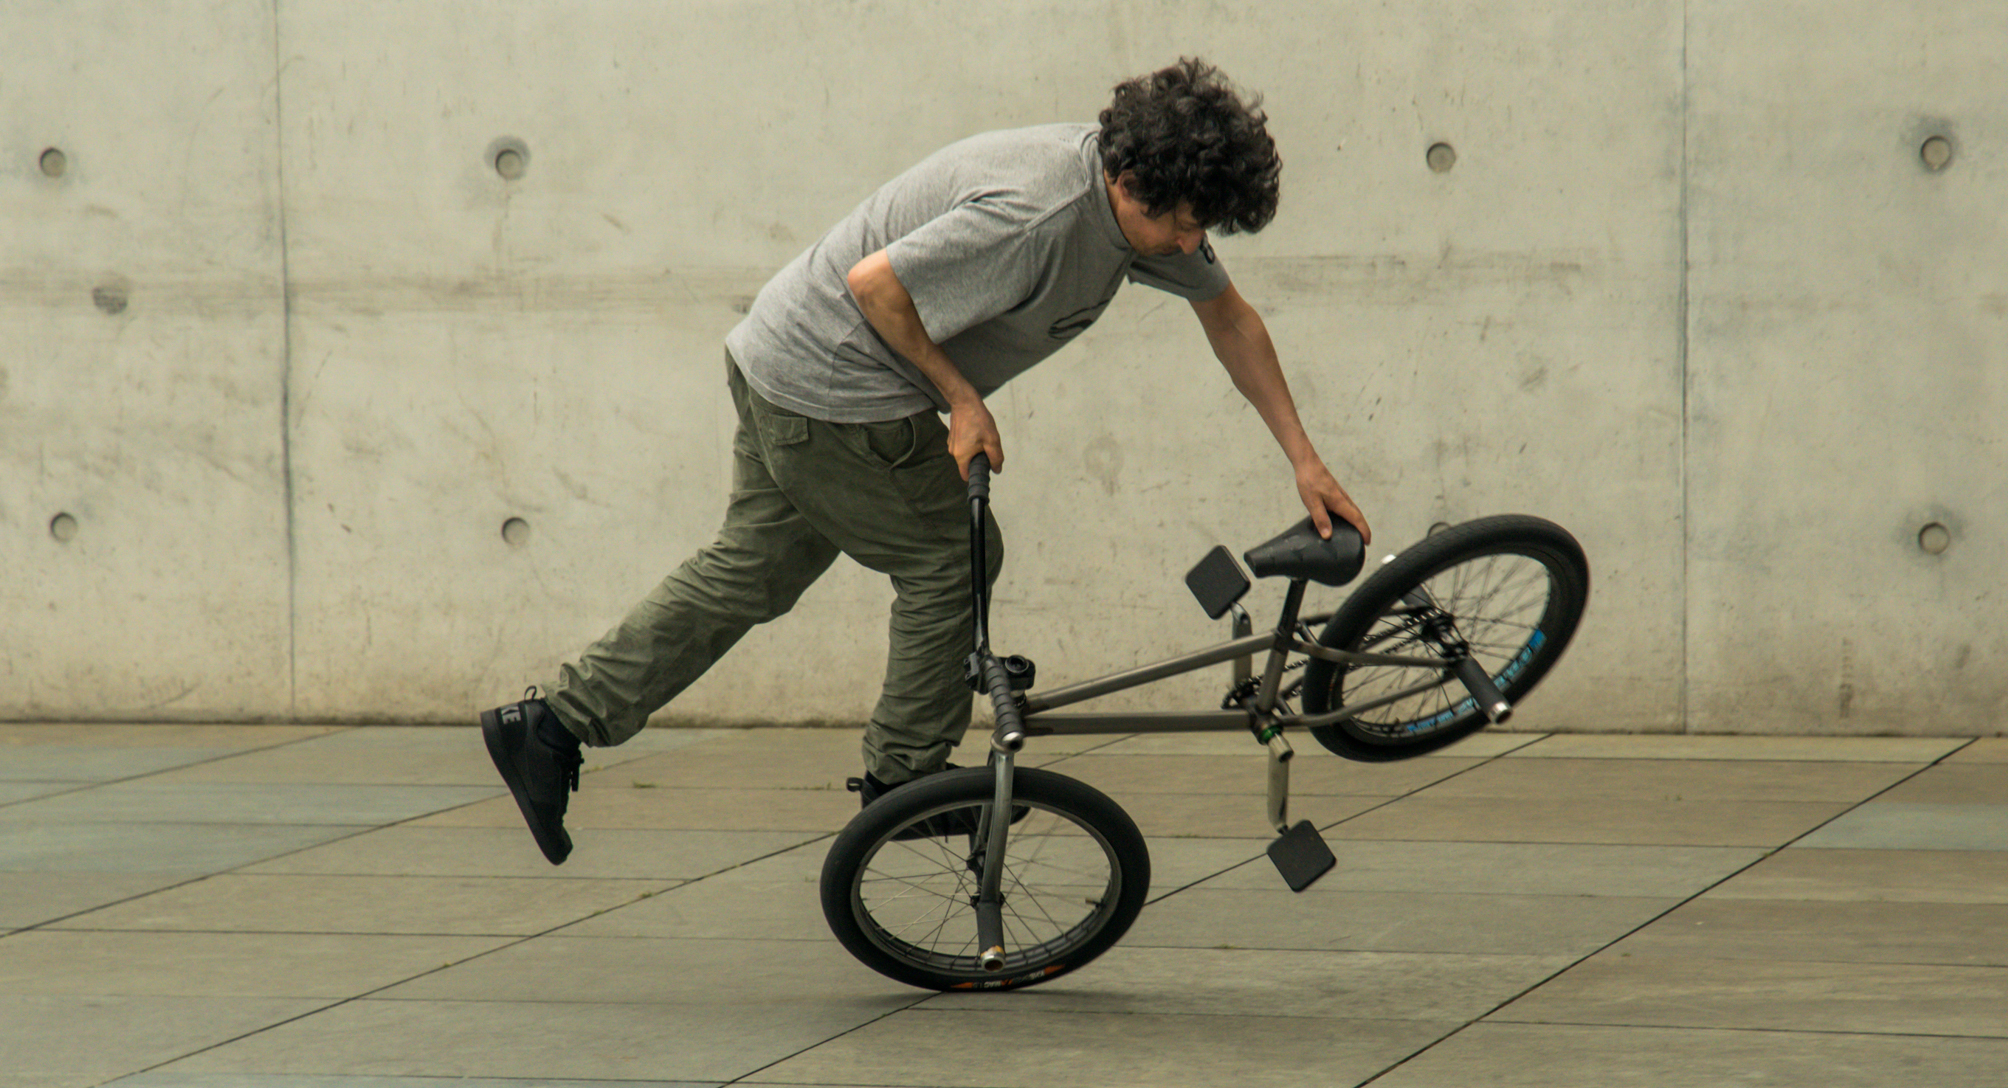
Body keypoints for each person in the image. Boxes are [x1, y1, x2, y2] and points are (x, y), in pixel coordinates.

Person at [481, 57, 1368, 864]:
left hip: (780, 359)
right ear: (1131, 181)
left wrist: (1305, 460)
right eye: (1178, 222)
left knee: (752, 570)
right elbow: (876, 286)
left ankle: (552, 725)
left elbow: (1230, 318)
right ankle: (902, 780)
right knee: (951, 556)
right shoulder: (1041, 216)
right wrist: (962, 397)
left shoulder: (1138, 201)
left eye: (1200, 224)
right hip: (835, 384)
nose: (1186, 242)